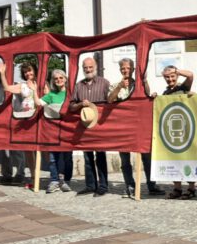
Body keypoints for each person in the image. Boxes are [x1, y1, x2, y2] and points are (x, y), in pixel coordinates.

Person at [108, 57, 164, 198]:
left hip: (139, 126)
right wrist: (120, 87)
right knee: (125, 160)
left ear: (132, 69)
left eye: (128, 68)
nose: (125, 70)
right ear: (120, 70)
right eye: (123, 68)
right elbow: (110, 100)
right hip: (122, 127)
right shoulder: (115, 85)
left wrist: (145, 83)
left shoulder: (138, 84)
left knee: (146, 156)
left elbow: (146, 95)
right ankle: (130, 186)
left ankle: (152, 185)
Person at [152, 65, 197, 199]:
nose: (170, 79)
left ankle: (191, 188)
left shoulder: (183, 88)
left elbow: (190, 75)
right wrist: (155, 97)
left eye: (172, 76)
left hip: (186, 129)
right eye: (167, 77)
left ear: (177, 76)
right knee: (174, 160)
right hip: (172, 132)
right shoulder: (165, 94)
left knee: (188, 159)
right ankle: (177, 188)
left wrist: (176, 71)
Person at [70, 57, 112, 196]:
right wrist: (81, 104)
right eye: (85, 68)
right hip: (84, 125)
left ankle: (103, 186)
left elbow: (111, 102)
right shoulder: (78, 85)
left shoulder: (104, 83)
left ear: (95, 67)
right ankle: (90, 185)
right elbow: (71, 106)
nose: (88, 70)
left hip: (99, 125)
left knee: (100, 156)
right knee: (87, 157)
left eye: (90, 67)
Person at [0, 61, 39, 186]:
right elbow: (7, 88)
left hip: (37, 118)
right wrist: (2, 74)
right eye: (25, 72)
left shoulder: (41, 83)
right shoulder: (22, 85)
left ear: (35, 71)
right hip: (25, 119)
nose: (28, 73)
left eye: (29, 70)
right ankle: (32, 177)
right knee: (28, 150)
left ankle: (49, 178)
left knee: (40, 150)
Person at [39, 69, 72, 193]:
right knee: (53, 157)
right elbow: (39, 103)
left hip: (67, 129)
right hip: (53, 130)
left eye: (61, 78)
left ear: (65, 79)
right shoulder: (51, 95)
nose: (58, 80)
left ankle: (66, 181)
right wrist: (32, 90)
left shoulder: (70, 94)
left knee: (67, 157)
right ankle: (54, 180)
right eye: (56, 78)